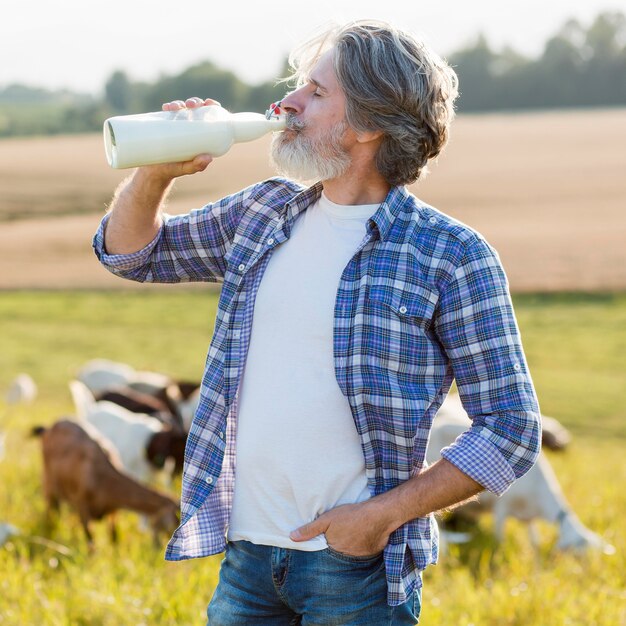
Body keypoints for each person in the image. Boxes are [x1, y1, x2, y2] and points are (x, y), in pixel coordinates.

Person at [94, 19, 541, 626]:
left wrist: (379, 517)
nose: (288, 103)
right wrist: (156, 172)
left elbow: (510, 428)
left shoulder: (450, 254)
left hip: (355, 569)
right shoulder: (262, 212)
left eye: (317, 92)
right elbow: (129, 253)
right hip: (247, 557)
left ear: (371, 124)